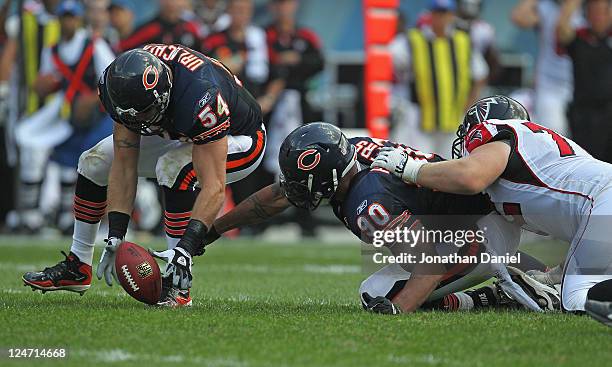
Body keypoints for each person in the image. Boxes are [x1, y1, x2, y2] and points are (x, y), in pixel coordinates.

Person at [196, 122, 558, 314]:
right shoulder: (349, 153)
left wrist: (399, 312)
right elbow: (276, 195)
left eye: (303, 184)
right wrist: (212, 230)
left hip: (477, 231)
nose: (295, 192)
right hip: (474, 219)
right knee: (391, 279)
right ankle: (516, 275)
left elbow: (429, 262)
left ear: (330, 179)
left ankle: (506, 288)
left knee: (378, 292)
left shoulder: (369, 202)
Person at [22, 44, 267, 308]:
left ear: (163, 96)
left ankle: (178, 283)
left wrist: (186, 247)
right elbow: (124, 163)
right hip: (178, 130)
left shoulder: (200, 96)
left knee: (173, 167)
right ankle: (78, 265)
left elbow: (215, 187)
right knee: (94, 162)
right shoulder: (121, 83)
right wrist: (116, 234)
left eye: (145, 113)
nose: (139, 122)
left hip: (240, 138)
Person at [371, 95, 612, 326]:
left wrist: (410, 168)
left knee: (577, 299)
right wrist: (559, 273)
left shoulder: (495, 130)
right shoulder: (543, 152)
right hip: (601, 202)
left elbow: (470, 177)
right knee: (573, 288)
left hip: (602, 200)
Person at [390, 0, 488, 157]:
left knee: (449, 162)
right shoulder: (413, 40)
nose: (442, 18)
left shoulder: (463, 41)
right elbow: (389, 61)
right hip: (419, 117)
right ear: (430, 15)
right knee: (417, 160)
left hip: (454, 116)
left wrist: (469, 103)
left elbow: (480, 74)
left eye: (446, 13)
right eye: (438, 13)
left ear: (452, 15)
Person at [0, 0, 60, 232]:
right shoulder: (26, 19)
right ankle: (28, 213)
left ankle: (54, 213)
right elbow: (11, 53)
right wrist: (3, 88)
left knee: (62, 163)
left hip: (60, 105)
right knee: (30, 155)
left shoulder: (71, 18)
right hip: (29, 104)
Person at [511, 0, 581, 137]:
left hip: (584, 86)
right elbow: (518, 17)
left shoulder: (589, 7)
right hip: (550, 85)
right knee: (553, 136)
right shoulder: (547, 7)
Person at [557, 0, 612, 162]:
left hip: (609, 112)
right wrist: (571, 4)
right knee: (587, 162)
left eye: (602, 12)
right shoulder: (579, 39)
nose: (598, 17)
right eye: (593, 12)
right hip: (583, 115)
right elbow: (562, 30)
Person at [115, 0, 201, 53]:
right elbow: (124, 47)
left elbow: (203, 52)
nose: (173, 3)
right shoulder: (151, 28)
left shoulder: (190, 27)